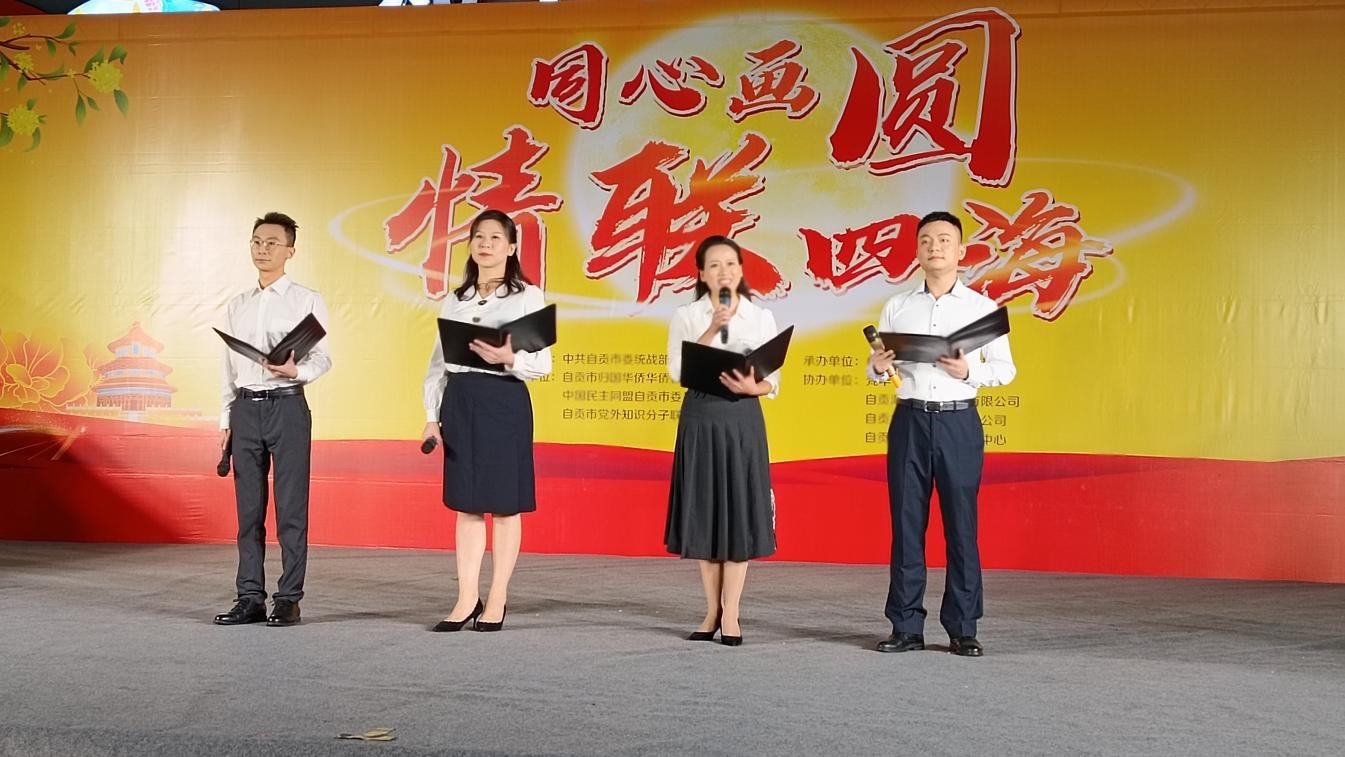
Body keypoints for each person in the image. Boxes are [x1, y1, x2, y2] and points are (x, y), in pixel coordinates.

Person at [867, 211, 1016, 656]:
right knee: (906, 526)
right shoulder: (897, 306)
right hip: (910, 420)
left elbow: (1006, 369)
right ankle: (905, 626)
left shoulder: (982, 309)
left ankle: (963, 627)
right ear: (917, 250)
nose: (935, 247)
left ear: (961, 250)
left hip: (958, 421)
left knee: (961, 527)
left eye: (945, 240)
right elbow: (883, 367)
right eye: (927, 240)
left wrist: (968, 370)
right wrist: (878, 367)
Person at [421, 209, 552, 633]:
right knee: (467, 504)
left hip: (504, 400)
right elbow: (437, 365)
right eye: (479, 236)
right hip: (460, 402)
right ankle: (466, 598)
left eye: (496, 237)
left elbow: (543, 363)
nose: (486, 244)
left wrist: (510, 357)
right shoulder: (455, 299)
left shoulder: (527, 296)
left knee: (506, 505)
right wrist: (431, 416)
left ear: (511, 248)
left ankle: (497, 597)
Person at [214, 212, 332, 627]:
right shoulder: (238, 304)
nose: (262, 249)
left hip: (288, 407)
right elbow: (227, 367)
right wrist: (226, 419)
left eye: (272, 243)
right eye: (257, 242)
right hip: (245, 408)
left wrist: (296, 371)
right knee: (248, 511)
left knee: (291, 509)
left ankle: (289, 598)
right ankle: (249, 597)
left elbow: (323, 358)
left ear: (290, 251)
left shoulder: (306, 299)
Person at [664, 235, 781, 647]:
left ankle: (732, 613)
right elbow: (678, 370)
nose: (724, 272)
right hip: (701, 416)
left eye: (730, 264)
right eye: (714, 265)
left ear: (741, 270)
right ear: (701, 273)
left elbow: (774, 379)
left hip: (741, 417)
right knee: (706, 512)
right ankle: (711, 610)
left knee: (737, 512)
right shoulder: (686, 315)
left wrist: (754, 386)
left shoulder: (760, 316)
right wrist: (713, 327)